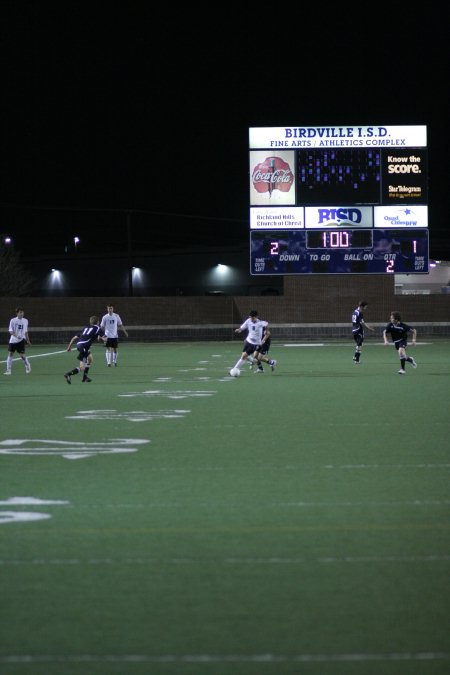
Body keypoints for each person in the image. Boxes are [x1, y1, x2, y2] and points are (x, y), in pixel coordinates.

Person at [231, 310, 277, 374]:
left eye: (253, 318)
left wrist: (265, 335)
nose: (251, 319)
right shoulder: (248, 320)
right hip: (249, 342)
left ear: (256, 317)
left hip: (257, 343)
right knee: (248, 356)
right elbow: (242, 327)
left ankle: (269, 363)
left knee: (255, 357)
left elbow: (266, 325)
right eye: (250, 317)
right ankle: (256, 365)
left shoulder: (260, 323)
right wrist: (239, 330)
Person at [64, 316, 105, 384]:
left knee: (90, 358)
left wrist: (69, 347)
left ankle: (85, 377)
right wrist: (105, 340)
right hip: (84, 347)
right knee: (82, 367)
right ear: (98, 322)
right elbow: (104, 337)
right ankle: (68, 374)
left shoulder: (85, 328)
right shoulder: (98, 328)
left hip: (79, 345)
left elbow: (73, 338)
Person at [4, 307, 32, 375]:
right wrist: (16, 335)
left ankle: (27, 365)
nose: (22, 314)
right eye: (20, 312)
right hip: (13, 340)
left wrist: (28, 340)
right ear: (17, 313)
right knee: (10, 354)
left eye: (22, 312)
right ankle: (8, 370)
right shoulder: (13, 320)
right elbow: (10, 331)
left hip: (21, 340)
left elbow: (26, 332)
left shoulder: (25, 320)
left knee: (22, 355)